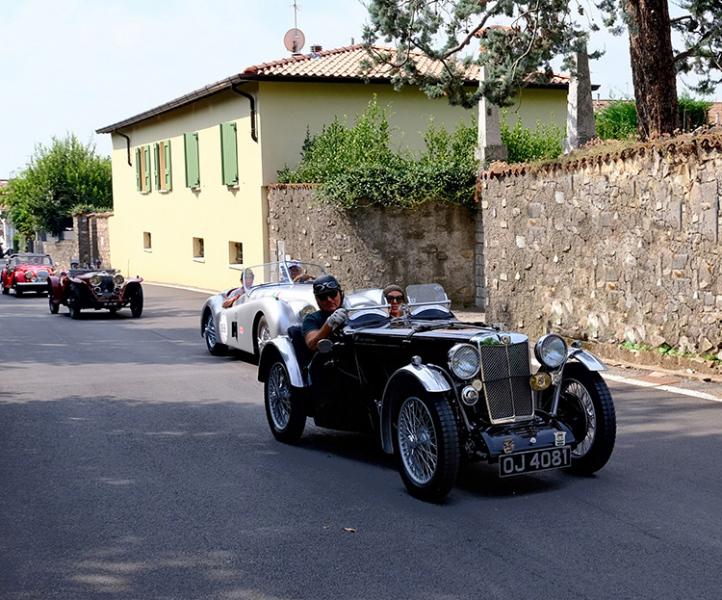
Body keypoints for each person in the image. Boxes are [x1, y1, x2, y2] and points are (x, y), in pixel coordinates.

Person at [302, 274, 347, 351]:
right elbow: (312, 344)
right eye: (323, 297)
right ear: (317, 300)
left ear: (340, 294)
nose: (329, 300)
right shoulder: (311, 319)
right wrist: (329, 324)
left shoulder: (351, 313)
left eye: (332, 294)